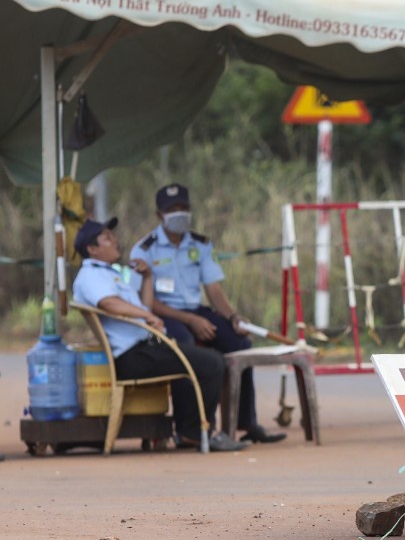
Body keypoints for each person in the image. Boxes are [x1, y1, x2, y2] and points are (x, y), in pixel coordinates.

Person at [72, 217, 248, 452]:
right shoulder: (91, 275)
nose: (115, 240)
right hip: (132, 355)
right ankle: (195, 433)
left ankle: (191, 431)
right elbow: (109, 303)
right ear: (92, 249)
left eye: (112, 235)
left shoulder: (109, 272)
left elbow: (143, 307)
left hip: (146, 343)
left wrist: (147, 279)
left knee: (195, 354)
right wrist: (148, 317)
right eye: (107, 238)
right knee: (212, 362)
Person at [131, 184, 285, 444]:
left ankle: (243, 421)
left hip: (197, 309)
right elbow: (147, 302)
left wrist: (233, 316)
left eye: (183, 208)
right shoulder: (144, 249)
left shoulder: (200, 245)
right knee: (185, 350)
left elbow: (213, 289)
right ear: (159, 215)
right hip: (165, 314)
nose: (179, 213)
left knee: (239, 343)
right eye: (172, 210)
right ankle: (188, 429)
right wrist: (189, 320)